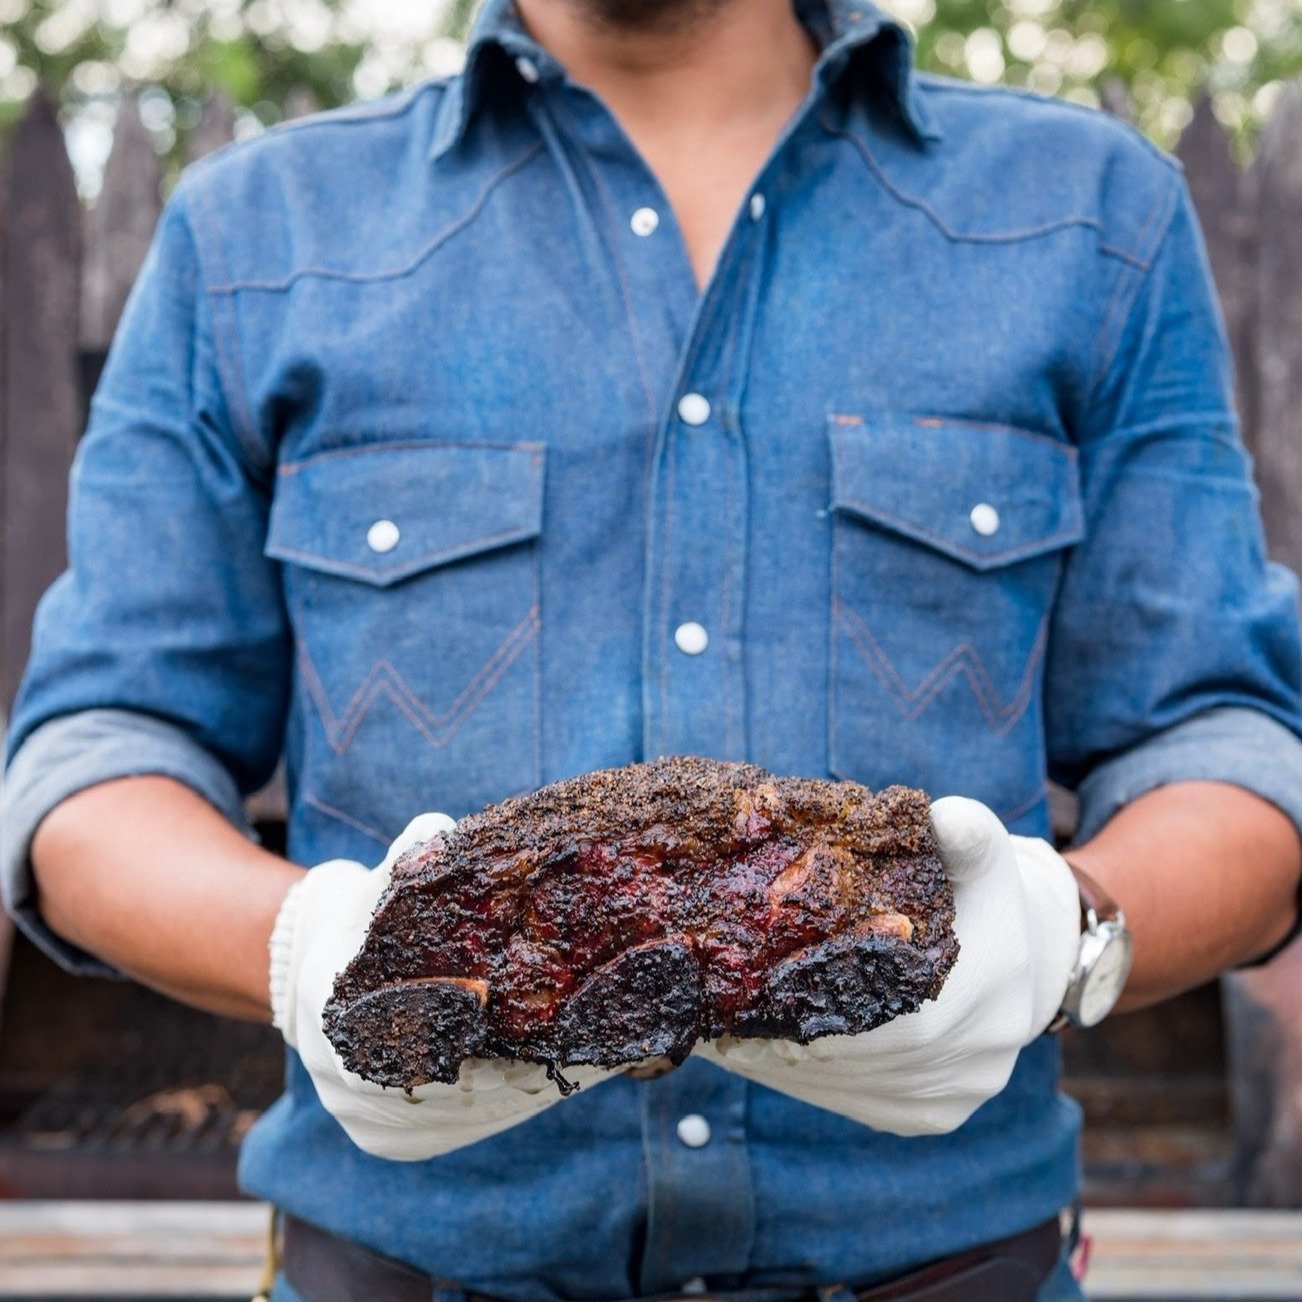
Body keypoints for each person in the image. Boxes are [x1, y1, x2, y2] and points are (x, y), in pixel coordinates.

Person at [3, 0, 1301, 1296]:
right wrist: (296, 951)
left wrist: (1066, 934)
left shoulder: (1087, 214)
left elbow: (1229, 743)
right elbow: (95, 758)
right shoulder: (255, 234)